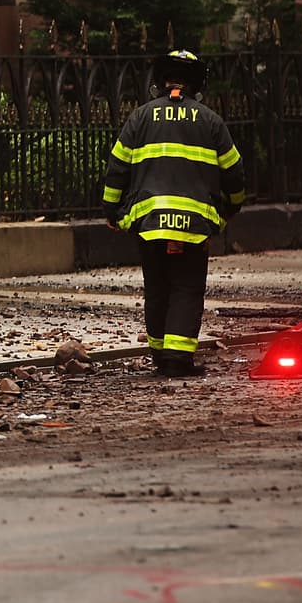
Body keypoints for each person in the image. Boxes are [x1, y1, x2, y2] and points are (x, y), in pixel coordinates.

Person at [102, 50, 246, 377]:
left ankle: (159, 356)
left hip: (150, 225)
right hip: (193, 228)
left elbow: (116, 169)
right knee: (186, 287)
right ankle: (177, 359)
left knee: (157, 288)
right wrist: (232, 206)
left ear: (161, 80)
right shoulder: (211, 122)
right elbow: (234, 173)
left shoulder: (139, 118)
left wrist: (112, 211)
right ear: (196, 83)